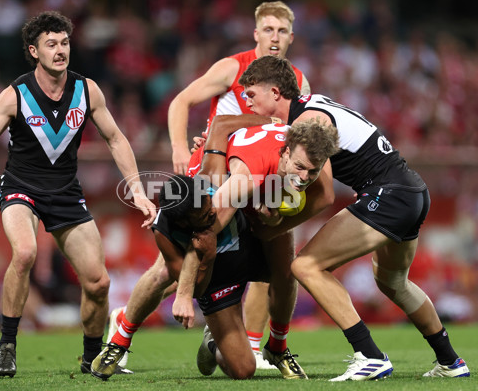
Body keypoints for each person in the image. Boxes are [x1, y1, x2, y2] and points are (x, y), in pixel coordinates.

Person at [207, 55, 470, 381]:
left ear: (275, 93)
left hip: (388, 194)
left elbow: (324, 194)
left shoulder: (309, 124)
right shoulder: (307, 111)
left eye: (251, 95)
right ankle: (451, 363)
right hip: (411, 191)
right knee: (393, 282)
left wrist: (274, 227)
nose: (246, 102)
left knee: (305, 265)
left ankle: (370, 356)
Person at [0, 11, 156, 379]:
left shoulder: (88, 91)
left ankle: (91, 360)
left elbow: (116, 139)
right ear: (34, 51)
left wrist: (138, 191)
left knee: (99, 283)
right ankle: (7, 347)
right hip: (21, 188)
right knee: (25, 252)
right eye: (51, 44)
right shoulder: (15, 95)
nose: (60, 50)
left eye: (65, 42)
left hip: (66, 193)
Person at [92, 115, 337, 381]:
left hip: (252, 197)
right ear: (286, 152)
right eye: (300, 167)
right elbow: (204, 231)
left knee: (287, 270)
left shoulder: (308, 151)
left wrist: (274, 225)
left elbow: (325, 197)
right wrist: (185, 295)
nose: (304, 178)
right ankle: (120, 339)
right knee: (166, 272)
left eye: (312, 171)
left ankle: (277, 348)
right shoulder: (238, 182)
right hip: (213, 193)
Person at [166, 0, 311, 369]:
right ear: (256, 33)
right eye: (268, 29)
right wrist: (182, 149)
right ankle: (126, 325)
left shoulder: (298, 80)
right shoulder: (233, 67)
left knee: (277, 263)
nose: (274, 37)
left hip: (265, 180)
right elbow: (181, 101)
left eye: (281, 31)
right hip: (221, 173)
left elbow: (293, 135)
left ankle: (258, 346)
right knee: (174, 262)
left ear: (291, 37)